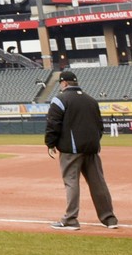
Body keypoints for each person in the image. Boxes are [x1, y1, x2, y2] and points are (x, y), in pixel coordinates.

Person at [45, 71, 119, 230]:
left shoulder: (60, 99)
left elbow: (53, 123)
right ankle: (109, 219)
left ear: (63, 83)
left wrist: (50, 144)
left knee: (71, 182)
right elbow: (100, 126)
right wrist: (93, 142)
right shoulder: (91, 100)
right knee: (98, 183)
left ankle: (71, 219)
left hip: (71, 150)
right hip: (92, 148)